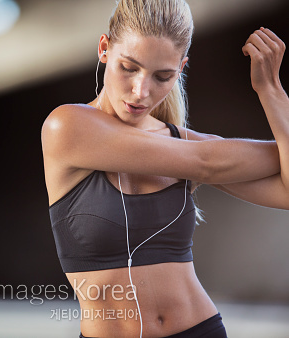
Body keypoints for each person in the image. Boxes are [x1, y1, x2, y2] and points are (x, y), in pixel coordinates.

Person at [40, 0, 288, 337]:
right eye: (129, 67)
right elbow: (207, 163)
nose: (141, 91)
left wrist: (271, 91)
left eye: (162, 76)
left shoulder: (181, 143)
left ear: (181, 69)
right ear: (104, 49)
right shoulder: (67, 126)